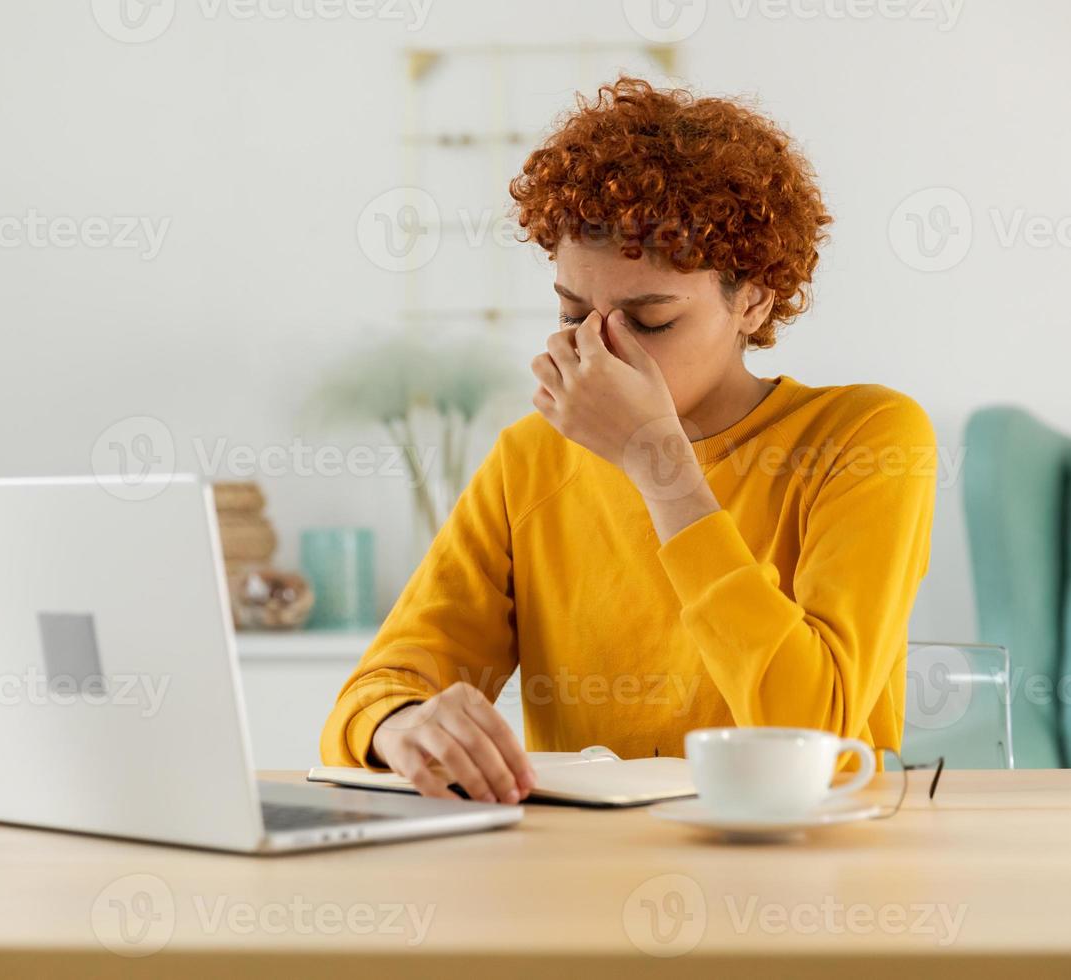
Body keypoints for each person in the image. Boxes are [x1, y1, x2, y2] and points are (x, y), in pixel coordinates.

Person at [320, 76, 937, 804]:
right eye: (572, 309)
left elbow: (817, 740)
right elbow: (374, 694)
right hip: (582, 876)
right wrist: (403, 722)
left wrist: (659, 464)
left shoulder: (865, 438)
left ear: (755, 302)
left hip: (800, 868)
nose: (600, 348)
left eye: (650, 321)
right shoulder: (532, 458)